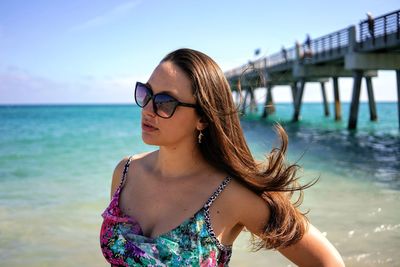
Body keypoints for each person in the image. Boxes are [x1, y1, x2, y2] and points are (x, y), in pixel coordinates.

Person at [100, 48, 345, 266]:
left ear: (203, 118)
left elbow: (327, 262)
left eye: (165, 102)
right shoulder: (126, 172)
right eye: (146, 93)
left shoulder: (231, 193)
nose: (148, 109)